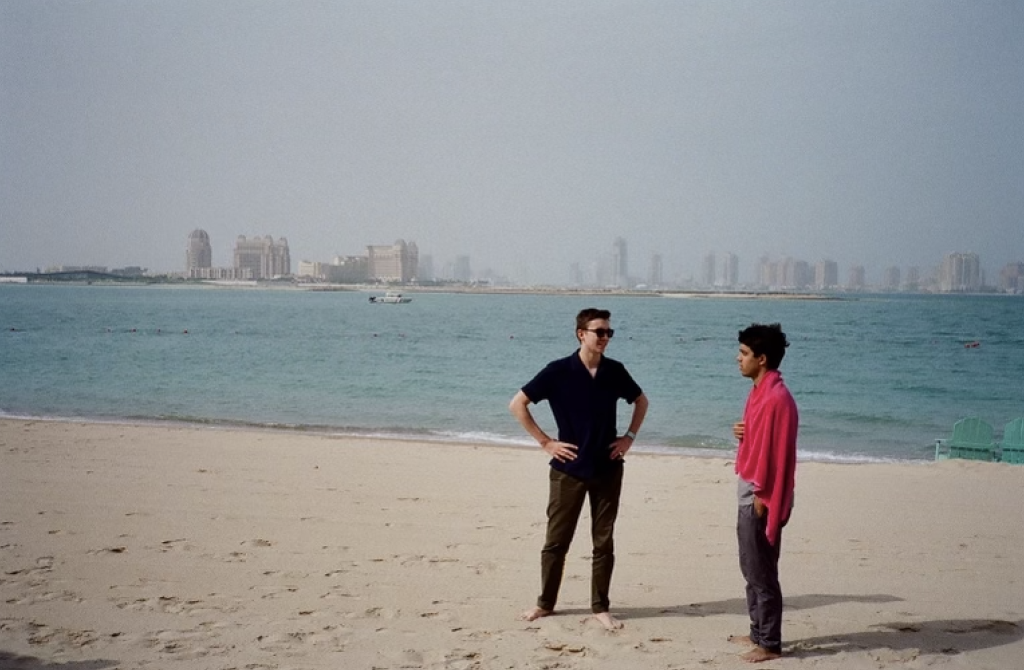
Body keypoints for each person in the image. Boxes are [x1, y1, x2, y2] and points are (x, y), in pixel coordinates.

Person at [510, 308, 649, 631]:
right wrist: (546, 442)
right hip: (567, 470)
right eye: (599, 331)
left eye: (608, 333)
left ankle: (600, 607)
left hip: (607, 468)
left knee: (603, 542)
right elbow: (517, 404)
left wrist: (628, 438)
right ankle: (545, 603)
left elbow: (641, 401)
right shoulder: (558, 371)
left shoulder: (615, 371)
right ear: (580, 334)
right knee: (556, 541)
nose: (604, 338)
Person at [730, 323, 799, 663]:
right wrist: (743, 431)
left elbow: (781, 455)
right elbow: (761, 439)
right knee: (750, 566)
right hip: (750, 486)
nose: (737, 359)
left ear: (762, 358)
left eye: (744, 354)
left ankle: (769, 643)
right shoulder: (759, 392)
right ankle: (757, 630)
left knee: (762, 572)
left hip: (763, 493)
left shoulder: (778, 398)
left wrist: (764, 495)